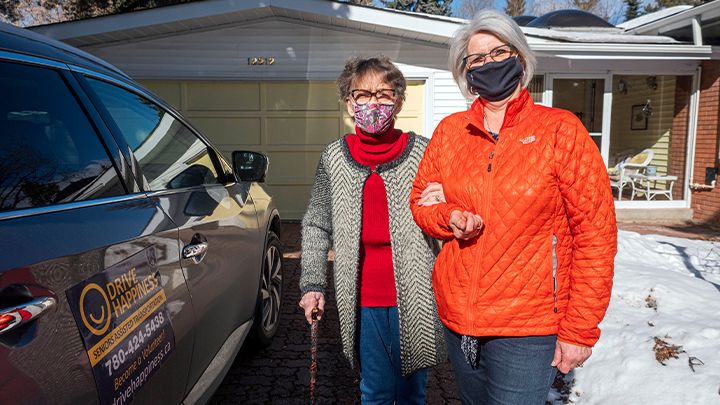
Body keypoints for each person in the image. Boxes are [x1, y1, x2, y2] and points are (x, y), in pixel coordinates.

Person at [410, 10, 618, 405]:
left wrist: (579, 330)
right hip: (460, 319)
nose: (489, 63)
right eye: (477, 58)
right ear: (465, 71)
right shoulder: (450, 132)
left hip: (528, 326)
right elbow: (422, 201)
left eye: (498, 52)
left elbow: (596, 235)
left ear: (519, 58)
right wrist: (447, 216)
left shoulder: (560, 130)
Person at [299, 54, 446, 404]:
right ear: (349, 103)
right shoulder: (334, 157)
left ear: (397, 100)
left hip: (417, 296)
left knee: (412, 394)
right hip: (362, 298)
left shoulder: (424, 152)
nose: (373, 102)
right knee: (375, 392)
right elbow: (316, 224)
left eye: (384, 93)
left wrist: (445, 202)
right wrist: (312, 284)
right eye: (362, 94)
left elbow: (447, 218)